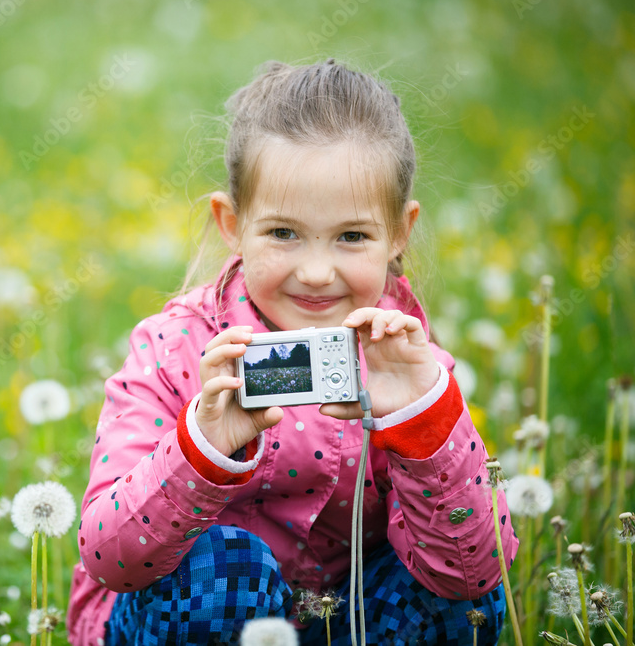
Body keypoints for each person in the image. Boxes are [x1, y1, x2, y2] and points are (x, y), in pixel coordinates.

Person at [67, 59, 519, 645]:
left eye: (352, 237)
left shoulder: (412, 369)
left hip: (341, 621)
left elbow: (475, 575)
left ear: (399, 232)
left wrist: (423, 429)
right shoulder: (175, 348)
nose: (314, 272)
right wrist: (200, 448)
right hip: (185, 618)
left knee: (467, 610)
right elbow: (108, 555)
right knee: (226, 571)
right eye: (283, 233)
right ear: (231, 223)